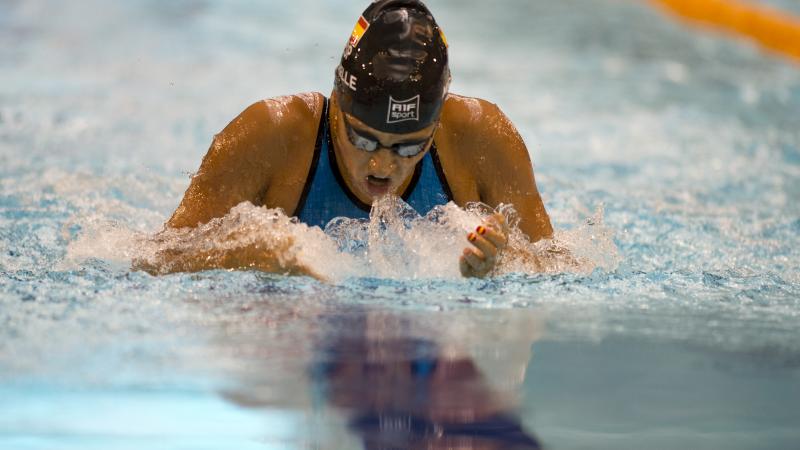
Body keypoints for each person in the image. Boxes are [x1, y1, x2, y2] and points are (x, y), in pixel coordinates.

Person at [155, 0, 553, 278]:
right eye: (363, 140)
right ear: (337, 107)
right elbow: (155, 259)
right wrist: (246, 252)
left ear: (436, 126)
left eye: (409, 147)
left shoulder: (481, 139)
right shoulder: (269, 137)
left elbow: (565, 266)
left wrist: (503, 263)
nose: (382, 166)